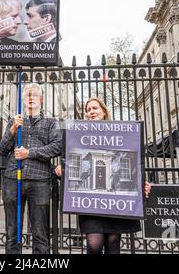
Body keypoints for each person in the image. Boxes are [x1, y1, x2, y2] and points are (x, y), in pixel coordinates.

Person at [55, 97, 152, 254]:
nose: (91, 112)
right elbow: (70, 157)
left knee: (113, 242)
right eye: (88, 110)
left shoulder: (121, 131)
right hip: (90, 200)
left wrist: (142, 183)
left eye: (94, 108)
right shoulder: (78, 133)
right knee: (94, 243)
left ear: (104, 110)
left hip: (115, 199)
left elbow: (135, 159)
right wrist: (63, 168)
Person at [0, 83, 62, 254]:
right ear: (23, 100)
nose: (31, 98)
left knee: (40, 232)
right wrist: (12, 130)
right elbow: (2, 150)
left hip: (40, 181)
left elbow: (57, 146)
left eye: (35, 95)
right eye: (28, 95)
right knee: (12, 232)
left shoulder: (50, 123)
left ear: (41, 99)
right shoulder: (15, 121)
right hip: (13, 179)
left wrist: (30, 153)